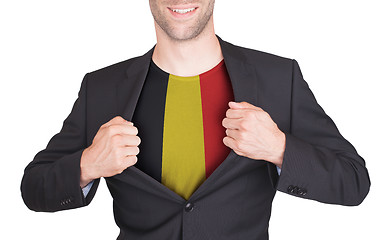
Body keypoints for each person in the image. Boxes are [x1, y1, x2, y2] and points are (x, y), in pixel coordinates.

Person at [21, 0, 370, 239]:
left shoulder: (279, 78)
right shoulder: (101, 88)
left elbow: (354, 181)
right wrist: (87, 165)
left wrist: (280, 148)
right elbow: (34, 188)